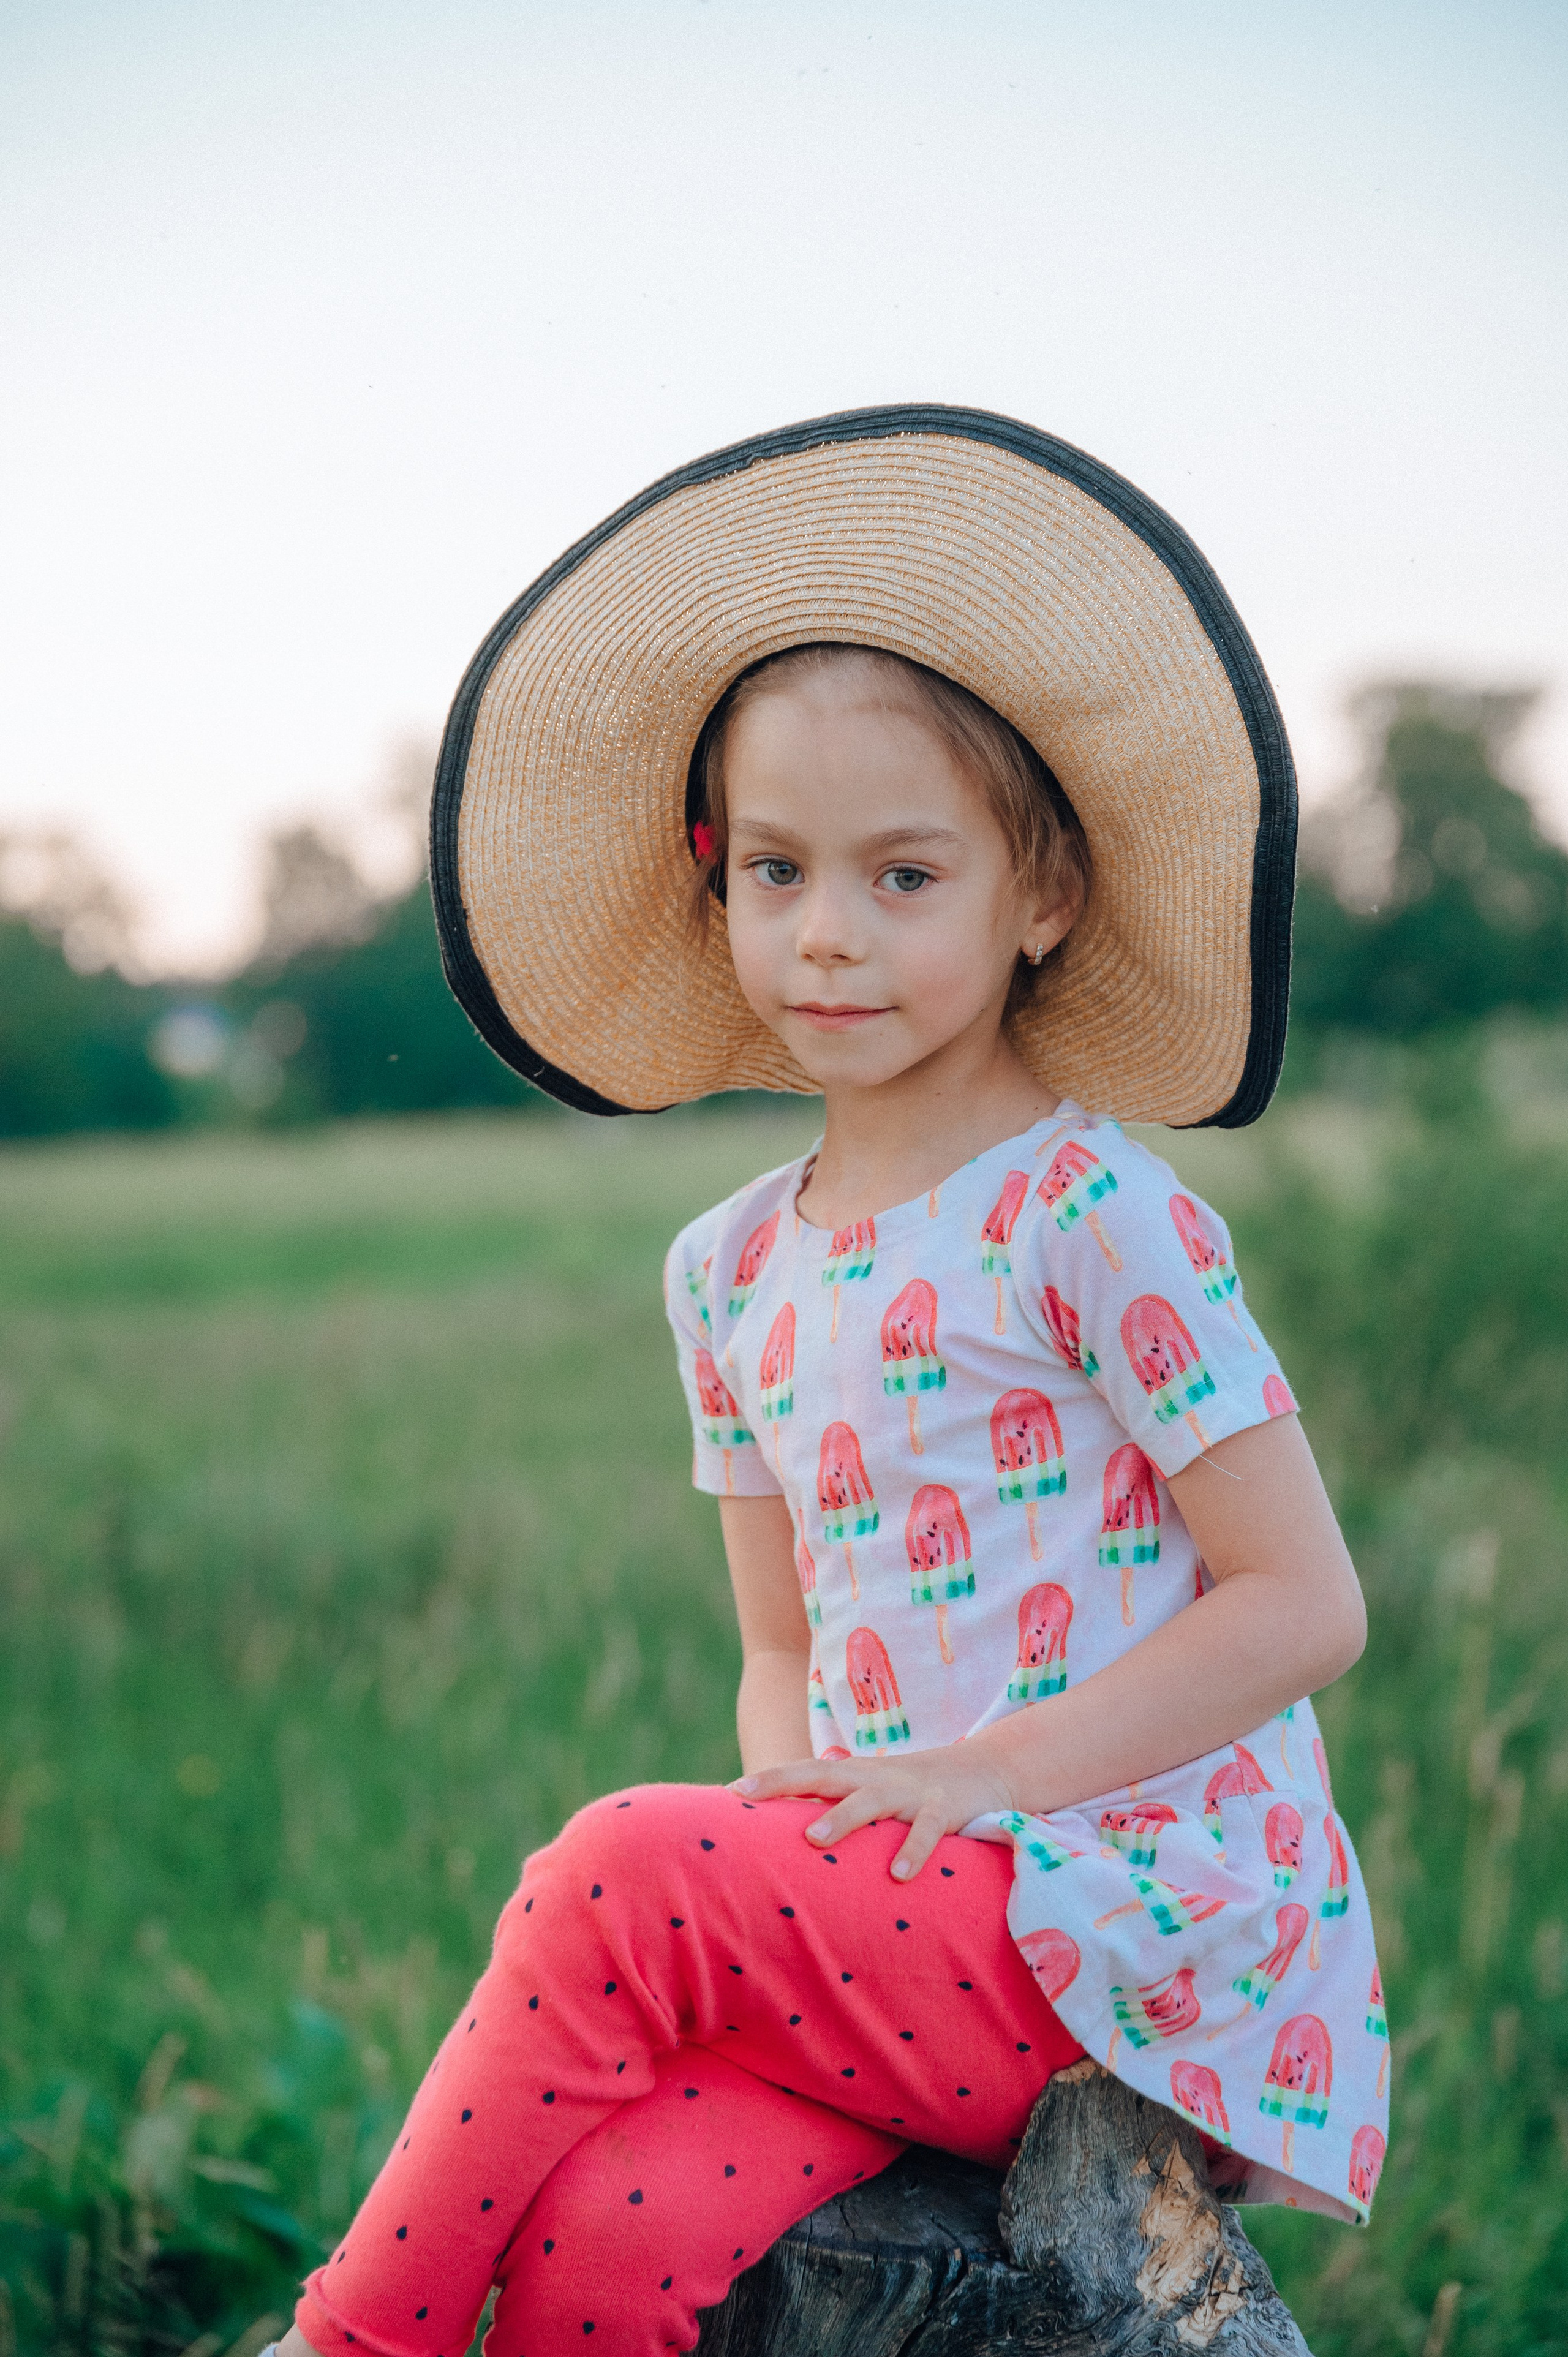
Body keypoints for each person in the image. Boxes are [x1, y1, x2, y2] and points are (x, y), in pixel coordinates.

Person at [276, 408, 1387, 2357]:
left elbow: (1309, 1603)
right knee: (604, 2234)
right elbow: (778, 1649)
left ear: (1037, 895)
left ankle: (336, 2345)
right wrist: (796, 1810)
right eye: (778, 870)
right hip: (889, 1924)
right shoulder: (727, 1268)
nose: (827, 935)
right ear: (719, 887)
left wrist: (976, 1780)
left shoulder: (1094, 1213)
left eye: (901, 875)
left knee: (618, 1867)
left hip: (1115, 1924)